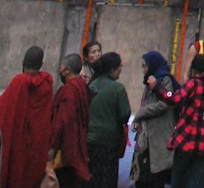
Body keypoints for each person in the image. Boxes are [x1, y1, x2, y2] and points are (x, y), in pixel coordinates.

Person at [0, 46, 54, 188]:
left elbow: (4, 108)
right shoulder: (47, 84)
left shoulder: (20, 81)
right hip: (37, 144)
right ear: (41, 65)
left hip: (17, 141)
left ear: (23, 62)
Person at [166, 53, 204, 188]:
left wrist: (158, 89)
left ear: (195, 69)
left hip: (186, 140)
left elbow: (175, 99)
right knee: (196, 182)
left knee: (178, 180)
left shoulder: (193, 84)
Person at [131, 52, 178, 188]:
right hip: (147, 138)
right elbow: (145, 103)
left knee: (155, 179)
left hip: (159, 137)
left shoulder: (164, 80)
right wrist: (138, 121)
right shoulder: (150, 81)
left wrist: (140, 113)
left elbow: (165, 103)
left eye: (145, 66)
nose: (143, 69)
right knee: (142, 179)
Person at [87, 53, 131, 188]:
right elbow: (124, 115)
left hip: (90, 141)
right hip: (109, 144)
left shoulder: (92, 85)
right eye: (119, 67)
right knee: (107, 180)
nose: (120, 70)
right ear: (112, 69)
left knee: (92, 179)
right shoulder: (118, 88)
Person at [48, 54, 91, 188]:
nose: (59, 70)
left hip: (67, 149)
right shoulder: (82, 86)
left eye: (61, 67)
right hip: (78, 143)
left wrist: (52, 146)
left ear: (67, 70)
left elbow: (63, 120)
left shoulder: (69, 90)